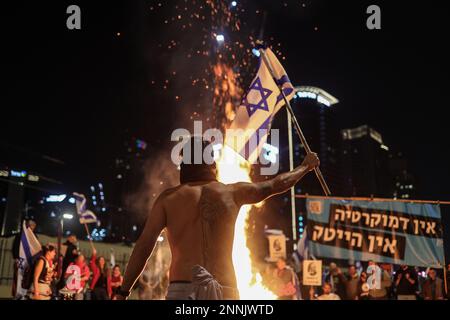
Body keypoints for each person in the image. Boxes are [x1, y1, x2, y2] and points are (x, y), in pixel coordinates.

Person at [118, 137, 320, 300]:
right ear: (211, 163)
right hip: (226, 291)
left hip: (184, 290)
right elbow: (275, 184)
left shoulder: (169, 199)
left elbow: (144, 247)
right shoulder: (232, 192)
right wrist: (305, 167)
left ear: (185, 163)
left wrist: (123, 291)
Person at [12, 220, 37, 298]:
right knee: (19, 276)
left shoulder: (34, 236)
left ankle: (25, 293)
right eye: (31, 225)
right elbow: (15, 247)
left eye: (33, 226)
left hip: (30, 261)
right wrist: (16, 257)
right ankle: (18, 294)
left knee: (28, 277)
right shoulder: (20, 235)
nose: (32, 227)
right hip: (21, 259)